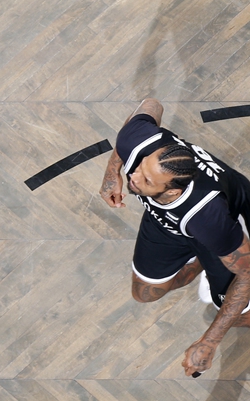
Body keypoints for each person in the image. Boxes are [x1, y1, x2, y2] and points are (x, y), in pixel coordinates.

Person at [100, 98, 250, 376]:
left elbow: (247, 273)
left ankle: (209, 259)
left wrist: (209, 341)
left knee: (243, 315)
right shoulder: (140, 144)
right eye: (139, 167)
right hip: (168, 225)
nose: (133, 177)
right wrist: (113, 171)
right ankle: (199, 260)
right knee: (144, 293)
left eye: (145, 181)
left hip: (224, 237)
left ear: (171, 192)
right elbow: (151, 105)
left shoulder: (207, 217)